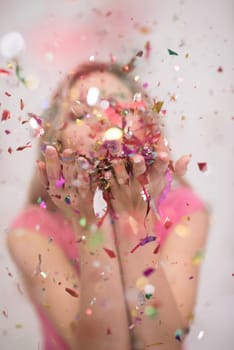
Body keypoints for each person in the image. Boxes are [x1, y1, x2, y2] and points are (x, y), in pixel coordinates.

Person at [7, 61, 209, 350]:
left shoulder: (185, 211)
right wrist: (86, 223)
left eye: (117, 105)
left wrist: (134, 223)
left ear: (147, 127)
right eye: (82, 112)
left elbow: (164, 345)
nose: (102, 119)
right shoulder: (30, 232)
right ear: (57, 141)